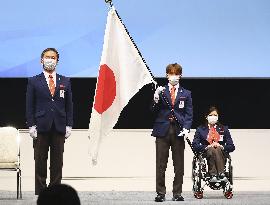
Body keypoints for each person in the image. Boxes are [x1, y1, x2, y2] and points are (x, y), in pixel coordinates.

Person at [26, 48, 73, 195]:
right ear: (41, 60)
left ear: (57, 61)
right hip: (41, 126)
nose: (50, 60)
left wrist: (69, 124)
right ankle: (41, 191)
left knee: (57, 161)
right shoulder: (33, 81)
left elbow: (69, 104)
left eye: (53, 58)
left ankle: (55, 191)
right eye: (47, 57)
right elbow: (29, 105)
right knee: (40, 160)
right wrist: (31, 125)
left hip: (59, 125)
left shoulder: (65, 81)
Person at [151, 63, 193, 202]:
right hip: (162, 129)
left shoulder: (186, 93)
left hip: (178, 130)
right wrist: (156, 97)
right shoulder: (161, 91)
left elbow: (189, 113)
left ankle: (177, 193)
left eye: (176, 74)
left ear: (180, 75)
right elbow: (152, 110)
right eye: (171, 73)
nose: (173, 76)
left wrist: (187, 127)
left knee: (179, 164)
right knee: (161, 163)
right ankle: (160, 193)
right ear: (166, 75)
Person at [192, 106, 235, 180]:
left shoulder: (224, 129)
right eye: (211, 115)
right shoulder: (200, 129)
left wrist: (221, 146)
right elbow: (195, 145)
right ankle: (221, 173)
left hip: (222, 152)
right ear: (206, 117)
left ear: (218, 117)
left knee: (216, 148)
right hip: (206, 152)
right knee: (213, 148)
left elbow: (231, 146)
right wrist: (207, 146)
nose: (213, 117)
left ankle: (213, 174)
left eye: (215, 115)